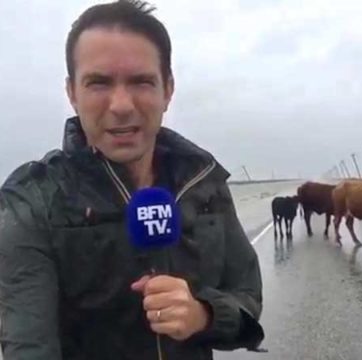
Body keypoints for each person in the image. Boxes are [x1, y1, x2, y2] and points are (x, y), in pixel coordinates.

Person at [0, 1, 264, 359]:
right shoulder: (32, 202)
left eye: (141, 81)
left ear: (168, 90)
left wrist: (204, 313)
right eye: (99, 83)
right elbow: (29, 348)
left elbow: (247, 295)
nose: (121, 104)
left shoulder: (204, 184)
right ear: (72, 93)